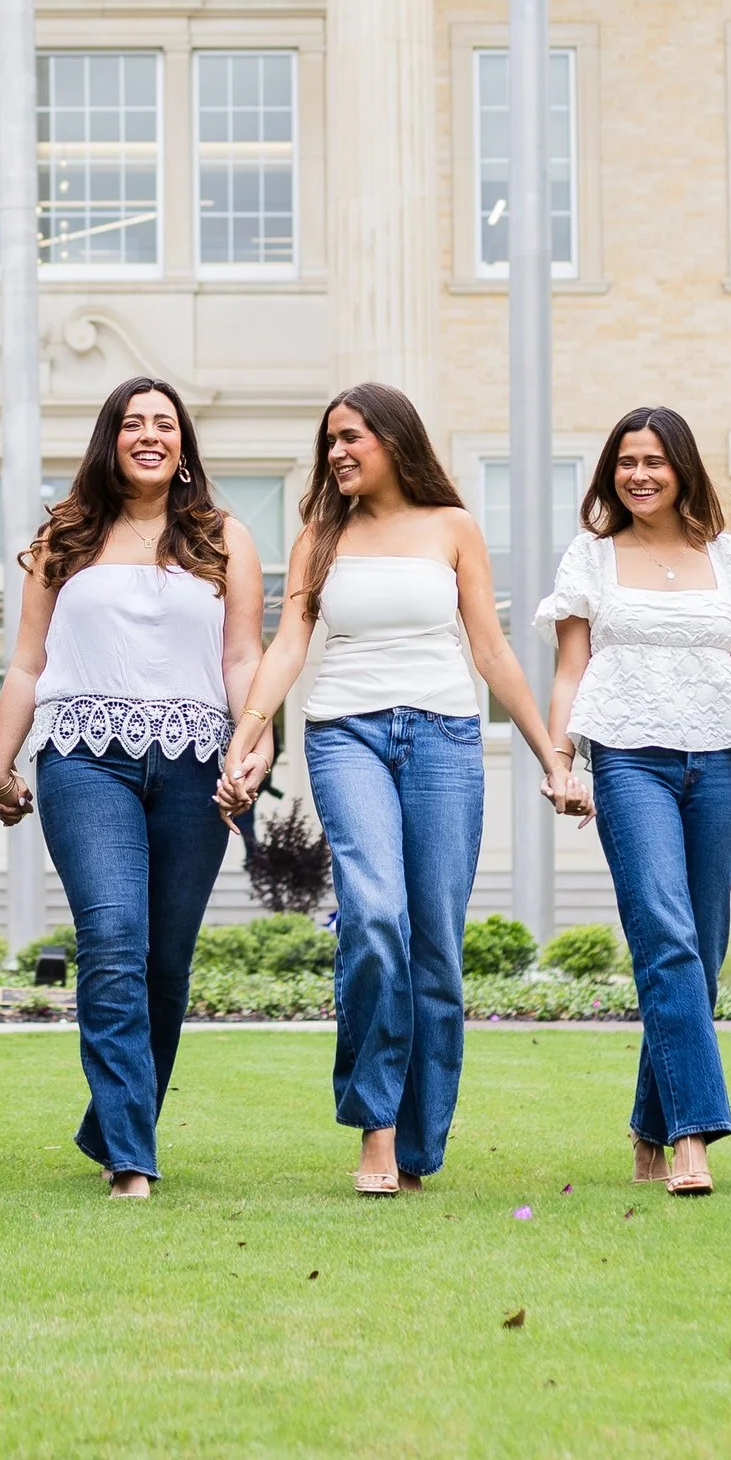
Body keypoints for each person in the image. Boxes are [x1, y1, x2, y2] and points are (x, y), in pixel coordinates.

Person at [218, 384, 588, 1196]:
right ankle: (375, 1130)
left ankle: (420, 1142)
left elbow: (491, 653)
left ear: (392, 439)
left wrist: (552, 759)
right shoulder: (321, 534)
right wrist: (247, 732)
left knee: (437, 953)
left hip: (447, 739)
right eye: (330, 443)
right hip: (346, 732)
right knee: (376, 915)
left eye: (351, 438)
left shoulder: (453, 529)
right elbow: (288, 647)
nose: (337, 453)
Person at [0, 378, 265, 1199]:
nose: (149, 435)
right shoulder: (65, 537)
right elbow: (28, 661)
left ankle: (112, 1118)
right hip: (82, 757)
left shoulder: (223, 538)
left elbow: (244, 657)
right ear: (110, 440)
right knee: (113, 938)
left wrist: (256, 743)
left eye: (164, 424)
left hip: (196, 761)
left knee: (165, 961)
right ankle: (131, 1156)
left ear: (183, 446)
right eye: (133, 423)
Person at [541, 406, 731, 1198]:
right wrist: (563, 760)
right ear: (610, 473)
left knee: (702, 940)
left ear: (683, 468)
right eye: (626, 461)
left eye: (655, 460)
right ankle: (694, 1134)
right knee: (664, 933)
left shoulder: (727, 559)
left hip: (719, 761)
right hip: (628, 759)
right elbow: (569, 670)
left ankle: (650, 1123)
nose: (639, 474)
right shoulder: (591, 559)